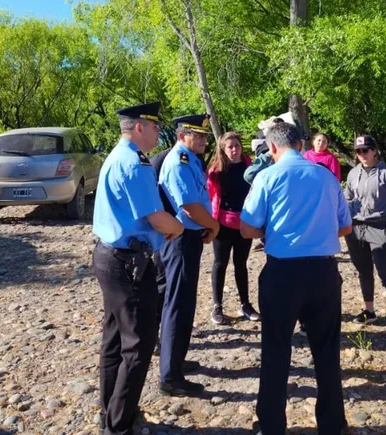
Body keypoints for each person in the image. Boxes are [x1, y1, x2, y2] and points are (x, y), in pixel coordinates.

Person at [240, 122, 352, 435]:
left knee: (275, 349)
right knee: (327, 352)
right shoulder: (326, 177)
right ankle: (332, 425)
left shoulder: (267, 177)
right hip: (323, 273)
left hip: (283, 274)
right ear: (301, 145)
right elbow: (345, 227)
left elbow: (247, 228)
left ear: (272, 148)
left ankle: (272, 425)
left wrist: (274, 231)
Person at [92, 102, 184, 435]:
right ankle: (119, 425)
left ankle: (110, 413)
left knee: (115, 341)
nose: (159, 132)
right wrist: (179, 228)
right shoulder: (135, 163)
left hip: (110, 257)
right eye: (155, 126)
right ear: (139, 129)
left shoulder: (118, 156)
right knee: (139, 345)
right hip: (129, 264)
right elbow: (155, 217)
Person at [157, 113, 219, 396]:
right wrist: (213, 225)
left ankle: (176, 362)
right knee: (178, 305)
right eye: (199, 135)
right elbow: (190, 207)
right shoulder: (178, 161)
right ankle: (169, 376)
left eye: (205, 135)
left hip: (190, 237)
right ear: (183, 136)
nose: (205, 140)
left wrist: (205, 226)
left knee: (184, 303)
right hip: (180, 240)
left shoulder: (191, 159)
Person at [344, 135, 386, 340]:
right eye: (358, 151)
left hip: (379, 226)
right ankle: (369, 310)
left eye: (366, 150)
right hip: (356, 228)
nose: (362, 154)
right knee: (363, 271)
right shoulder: (353, 173)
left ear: (374, 151)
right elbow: (348, 198)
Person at [207, 131, 260, 325]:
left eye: (236, 146)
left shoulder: (250, 167)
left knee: (241, 264)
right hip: (222, 224)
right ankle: (217, 305)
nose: (234, 150)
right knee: (220, 264)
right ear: (223, 149)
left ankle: (245, 304)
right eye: (229, 147)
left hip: (244, 224)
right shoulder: (216, 171)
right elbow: (209, 196)